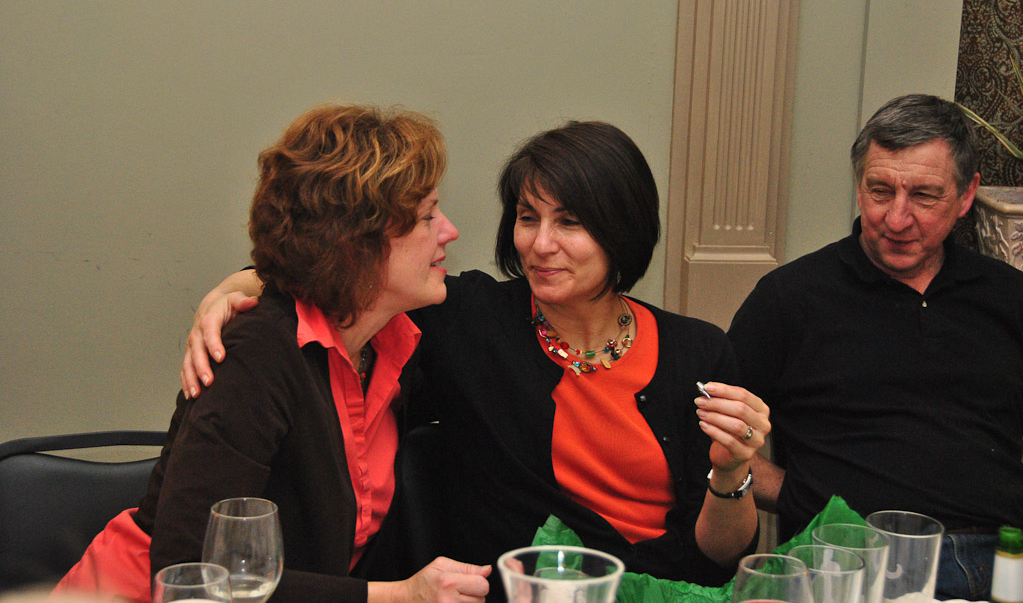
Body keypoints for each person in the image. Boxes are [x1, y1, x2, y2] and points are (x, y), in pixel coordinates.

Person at [181, 120, 771, 594]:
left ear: (623, 229)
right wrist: (231, 290)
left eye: (569, 223)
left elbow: (720, 556)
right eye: (527, 218)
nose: (540, 244)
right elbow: (337, 271)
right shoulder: (467, 320)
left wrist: (731, 472)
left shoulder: (698, 350)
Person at [55, 104, 491, 603]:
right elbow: (193, 567)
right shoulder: (259, 352)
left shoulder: (393, 340)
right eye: (427, 217)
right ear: (357, 245)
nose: (449, 231)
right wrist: (401, 596)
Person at [726, 94, 1023, 601]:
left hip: (1002, 555)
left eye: (924, 196)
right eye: (880, 191)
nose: (897, 218)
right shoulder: (791, 298)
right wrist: (799, 496)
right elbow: (710, 436)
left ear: (966, 195)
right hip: (849, 557)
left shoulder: (1007, 296)